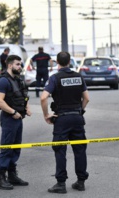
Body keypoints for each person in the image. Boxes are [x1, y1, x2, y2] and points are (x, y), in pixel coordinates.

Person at [40, 52, 89, 194]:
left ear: (57, 62)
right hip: (77, 118)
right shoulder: (79, 77)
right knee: (80, 150)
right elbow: (86, 98)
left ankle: (61, 184)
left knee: (60, 150)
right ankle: (81, 182)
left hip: (62, 119)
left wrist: (46, 115)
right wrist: (80, 110)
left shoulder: (55, 78)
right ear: (69, 62)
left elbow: (43, 98)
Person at [0, 55, 31, 190]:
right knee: (7, 148)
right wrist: (13, 112)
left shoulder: (17, 80)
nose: (19, 67)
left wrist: (26, 108)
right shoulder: (4, 81)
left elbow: (23, 96)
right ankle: (1, 178)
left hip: (18, 118)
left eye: (20, 64)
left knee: (15, 147)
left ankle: (12, 175)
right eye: (17, 64)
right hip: (9, 118)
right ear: (10, 65)